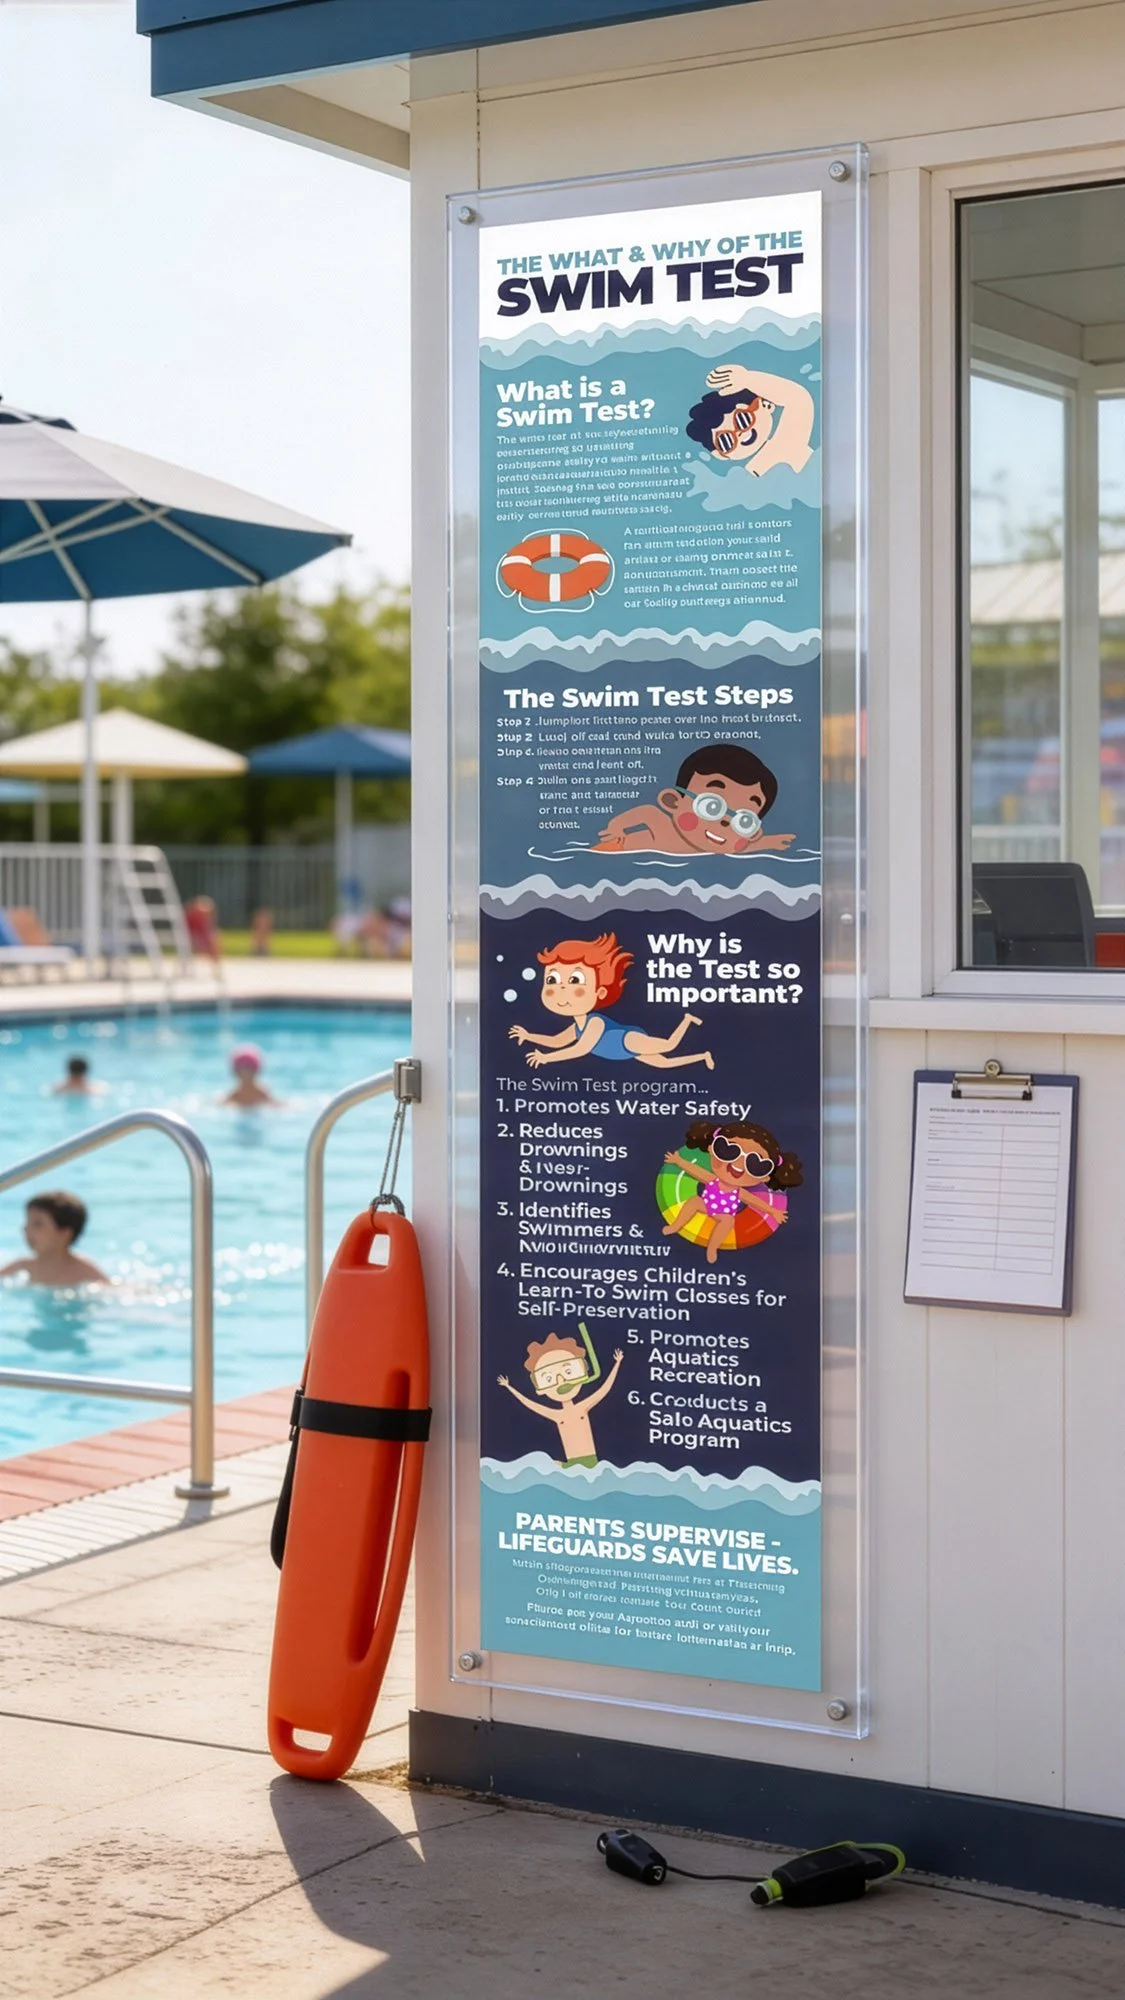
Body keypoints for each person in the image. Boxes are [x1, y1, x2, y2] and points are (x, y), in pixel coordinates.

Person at [509, 932, 714, 1071]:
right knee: (664, 1064)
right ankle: (703, 1056)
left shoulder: (595, 1022)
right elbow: (557, 1041)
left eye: (574, 980)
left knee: (669, 1046)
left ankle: (687, 1019)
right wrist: (528, 1036)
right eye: (552, 980)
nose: (562, 989)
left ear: (599, 991)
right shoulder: (577, 1027)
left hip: (628, 1040)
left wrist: (546, 1058)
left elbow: (581, 1049)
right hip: (622, 1052)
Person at [592, 744, 796, 857]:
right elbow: (648, 812)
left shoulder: (720, 845)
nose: (725, 822)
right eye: (712, 806)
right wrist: (617, 826)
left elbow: (739, 847)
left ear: (752, 834)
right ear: (672, 802)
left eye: (744, 821)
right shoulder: (664, 830)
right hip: (616, 850)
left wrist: (767, 842)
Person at [663, 1119, 802, 1264]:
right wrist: (679, 1161)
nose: (738, 1163)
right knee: (693, 1202)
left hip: (723, 1214)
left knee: (728, 1221)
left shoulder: (738, 1191)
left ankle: (712, 1247)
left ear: (765, 1177)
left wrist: (773, 1211)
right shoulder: (712, 1179)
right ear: (712, 1149)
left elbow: (754, 1201)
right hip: (704, 1204)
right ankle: (675, 1226)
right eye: (728, 1150)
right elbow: (696, 1171)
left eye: (755, 1164)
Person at [498, 1329, 623, 1468]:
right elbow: (531, 1405)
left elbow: (604, 1389)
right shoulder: (558, 1415)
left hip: (591, 1463)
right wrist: (509, 1387)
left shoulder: (582, 1407)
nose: (561, 1381)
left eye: (568, 1372)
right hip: (570, 1465)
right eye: (549, 1378)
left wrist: (617, 1363)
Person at [686, 363, 815, 477]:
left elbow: (798, 399)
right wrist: (747, 379)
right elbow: (798, 399)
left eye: (743, 420)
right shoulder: (749, 476)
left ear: (766, 405)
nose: (741, 434)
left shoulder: (785, 444)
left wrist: (748, 380)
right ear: (720, 454)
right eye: (726, 440)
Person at [0, 1190, 108, 1286]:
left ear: (64, 1233)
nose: (27, 1230)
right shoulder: (22, 1267)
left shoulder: (85, 1273)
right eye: (27, 1223)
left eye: (37, 1224)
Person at [222, 1043, 283, 1108]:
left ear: (255, 1071)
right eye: (241, 1070)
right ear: (236, 1072)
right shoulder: (233, 1096)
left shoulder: (262, 1094)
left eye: (248, 1069)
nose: (245, 1074)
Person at [185, 895, 221, 964]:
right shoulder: (191, 916)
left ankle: (216, 967)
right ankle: (216, 966)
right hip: (193, 938)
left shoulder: (205, 919)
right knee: (213, 946)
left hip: (201, 939)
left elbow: (209, 930)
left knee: (214, 944)